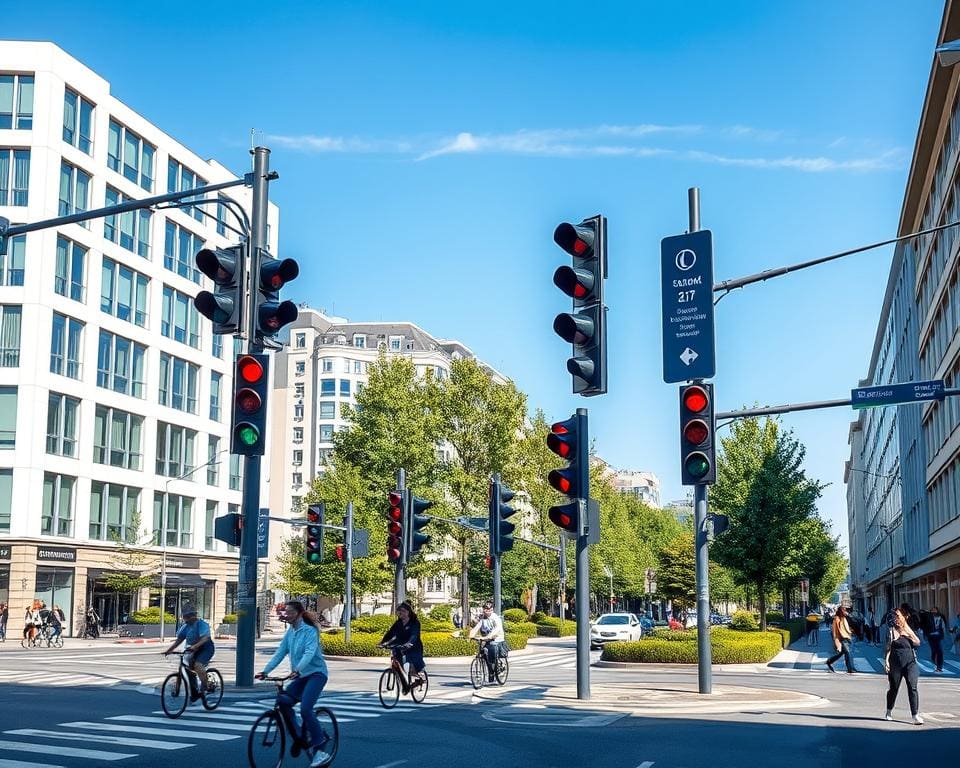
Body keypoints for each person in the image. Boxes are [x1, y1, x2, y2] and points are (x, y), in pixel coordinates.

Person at [256, 600, 331, 768]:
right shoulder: (291, 632)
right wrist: (265, 671)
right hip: (300, 675)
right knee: (283, 702)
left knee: (305, 709)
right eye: (284, 612)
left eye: (289, 611)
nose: (285, 614)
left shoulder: (309, 630)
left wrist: (297, 669)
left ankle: (320, 748)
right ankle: (300, 736)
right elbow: (280, 652)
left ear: (298, 613)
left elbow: (309, 653)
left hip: (316, 674)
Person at [163, 606, 215, 701]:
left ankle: (207, 685)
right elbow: (179, 640)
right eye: (186, 616)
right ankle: (195, 693)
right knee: (187, 669)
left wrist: (195, 646)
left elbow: (205, 638)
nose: (188, 618)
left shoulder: (201, 624)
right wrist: (169, 650)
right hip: (192, 649)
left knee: (198, 665)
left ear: (194, 616)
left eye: (190, 615)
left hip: (206, 648)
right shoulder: (185, 627)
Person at [884, 607, 923, 725]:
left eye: (898, 615)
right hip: (895, 663)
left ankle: (915, 715)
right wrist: (886, 662)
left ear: (904, 617)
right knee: (894, 688)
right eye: (894, 616)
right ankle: (889, 710)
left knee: (913, 687)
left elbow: (918, 642)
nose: (896, 618)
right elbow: (887, 648)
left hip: (910, 662)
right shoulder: (891, 630)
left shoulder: (908, 628)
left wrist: (907, 632)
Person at [379, 601, 426, 690]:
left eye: (403, 611)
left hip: (413, 646)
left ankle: (420, 677)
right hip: (400, 645)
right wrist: (383, 642)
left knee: (413, 664)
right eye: (399, 611)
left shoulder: (414, 623)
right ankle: (404, 683)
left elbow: (414, 635)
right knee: (397, 662)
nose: (401, 613)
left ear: (408, 612)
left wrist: (409, 643)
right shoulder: (398, 623)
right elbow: (390, 633)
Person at [468, 601, 507, 682]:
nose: (487, 611)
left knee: (491, 651)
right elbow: (477, 627)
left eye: (489, 609)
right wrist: (470, 635)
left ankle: (495, 669)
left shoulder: (495, 618)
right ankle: (490, 671)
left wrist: (489, 636)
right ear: (483, 610)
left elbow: (497, 629)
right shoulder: (483, 618)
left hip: (497, 639)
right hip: (487, 638)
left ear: (492, 609)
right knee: (483, 653)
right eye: (486, 609)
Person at [826, 605, 855, 674]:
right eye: (844, 610)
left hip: (847, 637)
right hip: (841, 638)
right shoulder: (836, 619)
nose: (845, 611)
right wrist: (836, 640)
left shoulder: (845, 618)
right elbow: (834, 630)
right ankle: (850, 669)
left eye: (845, 610)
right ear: (840, 611)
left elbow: (850, 625)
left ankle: (829, 662)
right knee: (847, 652)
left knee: (840, 653)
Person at [926, 606, 947, 673]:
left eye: (935, 610)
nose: (933, 611)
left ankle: (939, 667)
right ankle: (933, 659)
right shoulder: (928, 617)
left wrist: (944, 635)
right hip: (930, 636)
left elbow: (944, 626)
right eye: (932, 610)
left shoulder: (941, 617)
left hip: (938, 636)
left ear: (937, 611)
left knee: (939, 651)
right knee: (934, 650)